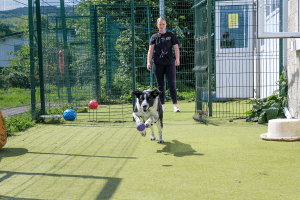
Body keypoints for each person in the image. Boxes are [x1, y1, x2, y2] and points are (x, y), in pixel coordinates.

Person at [147, 18, 180, 113]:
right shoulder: (154, 37)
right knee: (160, 86)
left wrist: (177, 59)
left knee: (172, 84)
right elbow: (150, 50)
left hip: (170, 63)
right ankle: (162, 105)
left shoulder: (171, 35)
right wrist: (148, 62)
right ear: (157, 25)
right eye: (160, 24)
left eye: (163, 24)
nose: (161, 26)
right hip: (158, 64)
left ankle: (175, 105)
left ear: (166, 25)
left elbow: (176, 48)